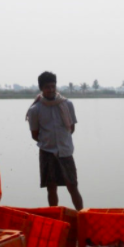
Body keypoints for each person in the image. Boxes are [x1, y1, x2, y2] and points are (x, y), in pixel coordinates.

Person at [26, 71, 83, 210]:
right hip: (47, 152)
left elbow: (71, 128)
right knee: (51, 187)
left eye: (53, 86)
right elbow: (35, 134)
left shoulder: (67, 104)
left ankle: (82, 215)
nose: (51, 90)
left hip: (65, 151)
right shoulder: (35, 109)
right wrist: (49, 142)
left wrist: (61, 141)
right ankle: (54, 217)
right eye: (47, 87)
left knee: (73, 186)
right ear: (42, 88)